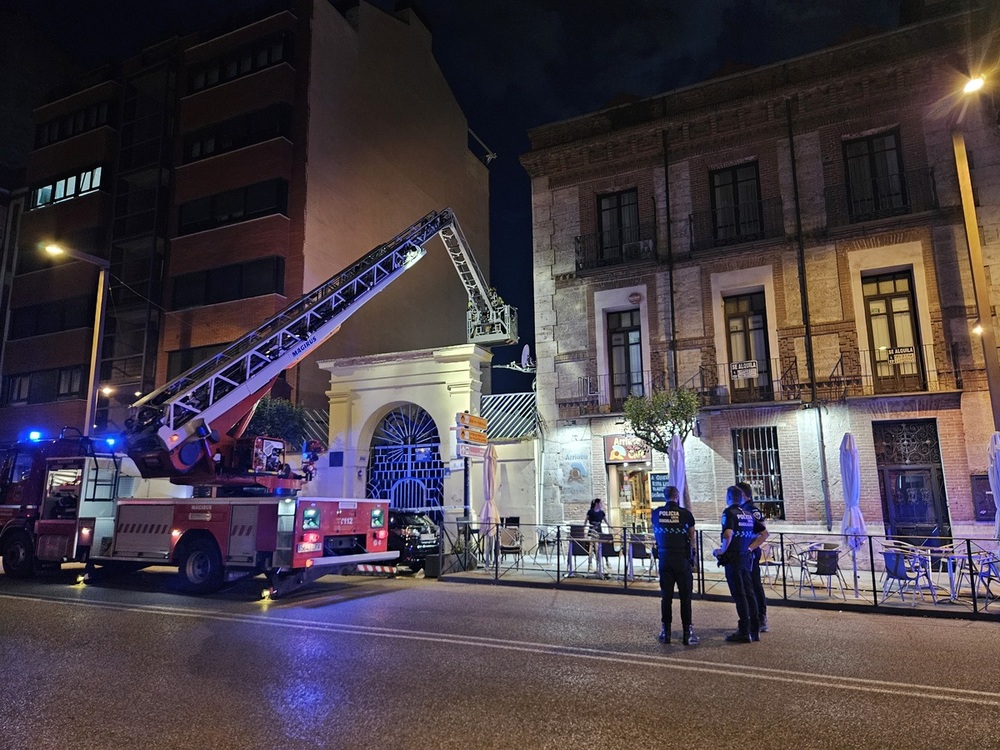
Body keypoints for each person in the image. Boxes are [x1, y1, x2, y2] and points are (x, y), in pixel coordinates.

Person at [713, 485, 762, 643]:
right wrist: (750, 547)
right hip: (746, 558)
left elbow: (728, 534)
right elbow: (764, 533)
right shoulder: (748, 514)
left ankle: (743, 630)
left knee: (739, 595)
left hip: (733, 559)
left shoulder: (729, 513)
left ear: (728, 497)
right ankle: (755, 630)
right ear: (741, 498)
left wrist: (721, 550)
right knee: (749, 593)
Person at [652, 485, 699, 646]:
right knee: (685, 597)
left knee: (666, 597)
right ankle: (688, 633)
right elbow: (692, 535)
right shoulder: (686, 514)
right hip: (682, 560)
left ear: (665, 496)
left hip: (664, 559)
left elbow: (656, 533)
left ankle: (666, 633)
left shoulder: (656, 513)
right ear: (677, 496)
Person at [737, 481, 770, 633]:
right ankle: (752, 617)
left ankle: (761, 617)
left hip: (750, 553)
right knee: (746, 586)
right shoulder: (740, 509)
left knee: (754, 584)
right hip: (742, 553)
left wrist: (751, 547)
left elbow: (763, 532)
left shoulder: (752, 510)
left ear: (744, 495)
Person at [584, 498, 609, 573]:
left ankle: (602, 563)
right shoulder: (590, 512)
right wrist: (583, 529)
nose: (602, 505)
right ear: (597, 504)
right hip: (592, 530)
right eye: (601, 503)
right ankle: (590, 563)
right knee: (591, 547)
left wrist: (611, 527)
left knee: (600, 546)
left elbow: (607, 522)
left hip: (599, 530)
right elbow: (585, 522)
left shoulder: (602, 513)